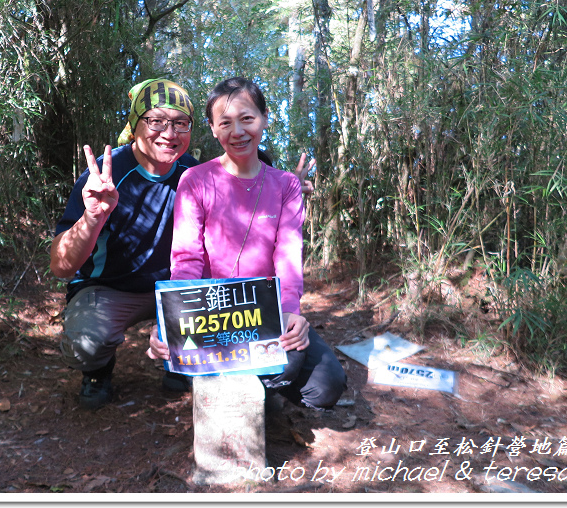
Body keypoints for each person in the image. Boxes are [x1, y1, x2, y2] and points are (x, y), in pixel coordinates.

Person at [51, 78, 318, 410]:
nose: (169, 132)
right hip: (113, 289)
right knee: (86, 342)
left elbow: (243, 181)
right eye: (156, 121)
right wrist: (93, 216)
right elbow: (60, 266)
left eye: (180, 123)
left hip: (182, 288)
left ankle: (179, 362)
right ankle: (97, 370)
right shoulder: (105, 177)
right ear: (135, 125)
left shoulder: (193, 173)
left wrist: (286, 188)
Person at [148, 77, 347, 411]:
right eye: (225, 123)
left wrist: (291, 313)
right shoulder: (195, 180)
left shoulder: (285, 185)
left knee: (327, 385)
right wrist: (172, 320)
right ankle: (249, 395)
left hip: (265, 310)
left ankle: (254, 390)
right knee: (281, 368)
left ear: (264, 119)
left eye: (247, 119)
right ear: (212, 129)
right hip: (212, 314)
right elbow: (186, 259)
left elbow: (287, 256)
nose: (237, 131)